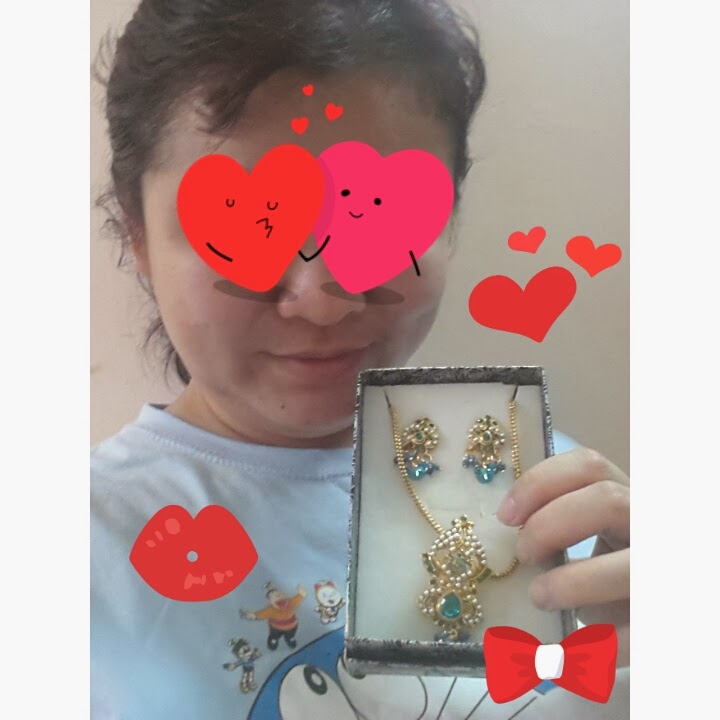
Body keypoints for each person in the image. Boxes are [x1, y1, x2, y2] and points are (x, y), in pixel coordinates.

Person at [91, 1, 630, 718]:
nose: (321, 300)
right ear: (138, 233)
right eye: (247, 228)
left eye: (380, 218)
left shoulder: (564, 507)